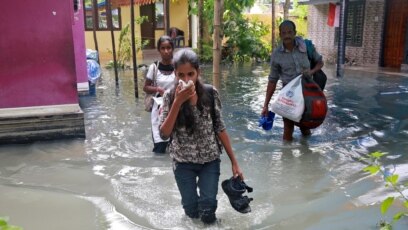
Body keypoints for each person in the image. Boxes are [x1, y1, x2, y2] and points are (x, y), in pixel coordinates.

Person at [159, 49, 244, 224]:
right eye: (181, 75)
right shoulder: (169, 96)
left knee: (208, 209)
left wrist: (235, 162)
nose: (186, 80)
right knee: (191, 210)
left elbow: (220, 128)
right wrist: (178, 101)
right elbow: (164, 133)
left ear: (198, 72)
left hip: (209, 160)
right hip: (182, 162)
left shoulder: (210, 94)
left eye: (191, 74)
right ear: (175, 74)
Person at [262, 20, 324, 141]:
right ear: (280, 35)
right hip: (289, 96)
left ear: (295, 33)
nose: (287, 36)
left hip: (308, 94)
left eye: (290, 32)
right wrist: (265, 105)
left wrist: (310, 72)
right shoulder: (276, 55)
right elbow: (272, 81)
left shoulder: (305, 47)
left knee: (305, 127)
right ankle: (286, 157)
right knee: (288, 128)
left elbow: (320, 63)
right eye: (284, 33)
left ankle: (307, 156)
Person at [143, 36, 176, 153]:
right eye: (163, 48)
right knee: (159, 145)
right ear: (159, 50)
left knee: (175, 144)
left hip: (175, 107)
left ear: (173, 49)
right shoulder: (154, 67)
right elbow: (145, 87)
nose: (166, 51)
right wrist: (158, 89)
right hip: (158, 109)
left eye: (169, 48)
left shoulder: (178, 67)